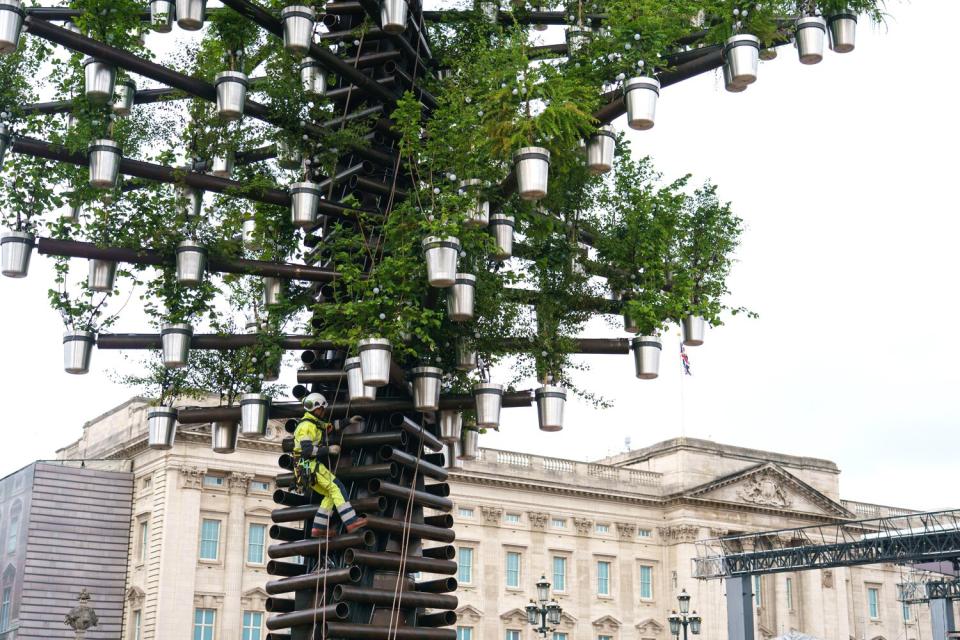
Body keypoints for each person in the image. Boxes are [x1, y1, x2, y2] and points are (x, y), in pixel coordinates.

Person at [293, 393, 367, 537]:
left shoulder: (314, 423)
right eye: (322, 408)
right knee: (337, 487)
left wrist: (349, 421)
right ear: (317, 408)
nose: (324, 411)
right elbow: (307, 450)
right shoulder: (306, 426)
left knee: (329, 494)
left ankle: (318, 528)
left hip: (306, 468)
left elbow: (331, 427)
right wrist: (329, 449)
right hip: (309, 465)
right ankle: (351, 521)